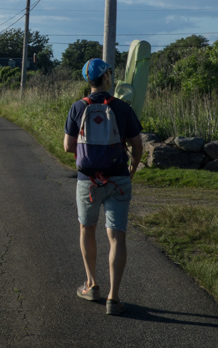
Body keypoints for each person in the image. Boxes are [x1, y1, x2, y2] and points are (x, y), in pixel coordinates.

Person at [63, 58, 143, 315]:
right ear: (107, 77)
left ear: (88, 80)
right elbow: (137, 144)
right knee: (116, 234)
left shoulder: (78, 107)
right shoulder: (122, 107)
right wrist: (131, 169)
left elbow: (67, 146)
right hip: (118, 178)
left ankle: (91, 284)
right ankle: (113, 297)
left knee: (87, 228)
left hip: (88, 181)